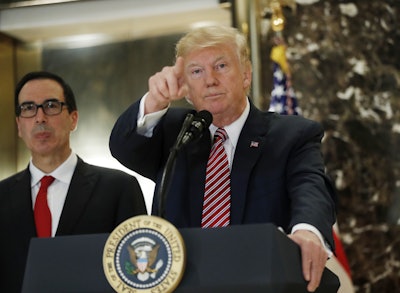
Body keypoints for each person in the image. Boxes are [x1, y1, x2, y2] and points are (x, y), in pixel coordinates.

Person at [109, 25, 336, 292]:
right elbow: (123, 147)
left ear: (246, 75)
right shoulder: (173, 131)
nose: (210, 80)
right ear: (186, 87)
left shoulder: (291, 134)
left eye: (221, 66)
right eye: (196, 71)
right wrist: (153, 101)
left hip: (262, 281)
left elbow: (311, 189)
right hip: (183, 283)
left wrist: (307, 230)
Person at [0, 71, 147, 293]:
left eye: (51, 105)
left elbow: (138, 275)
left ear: (73, 119)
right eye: (28, 108)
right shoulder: (2, 196)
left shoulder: (118, 189)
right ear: (19, 125)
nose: (40, 118)